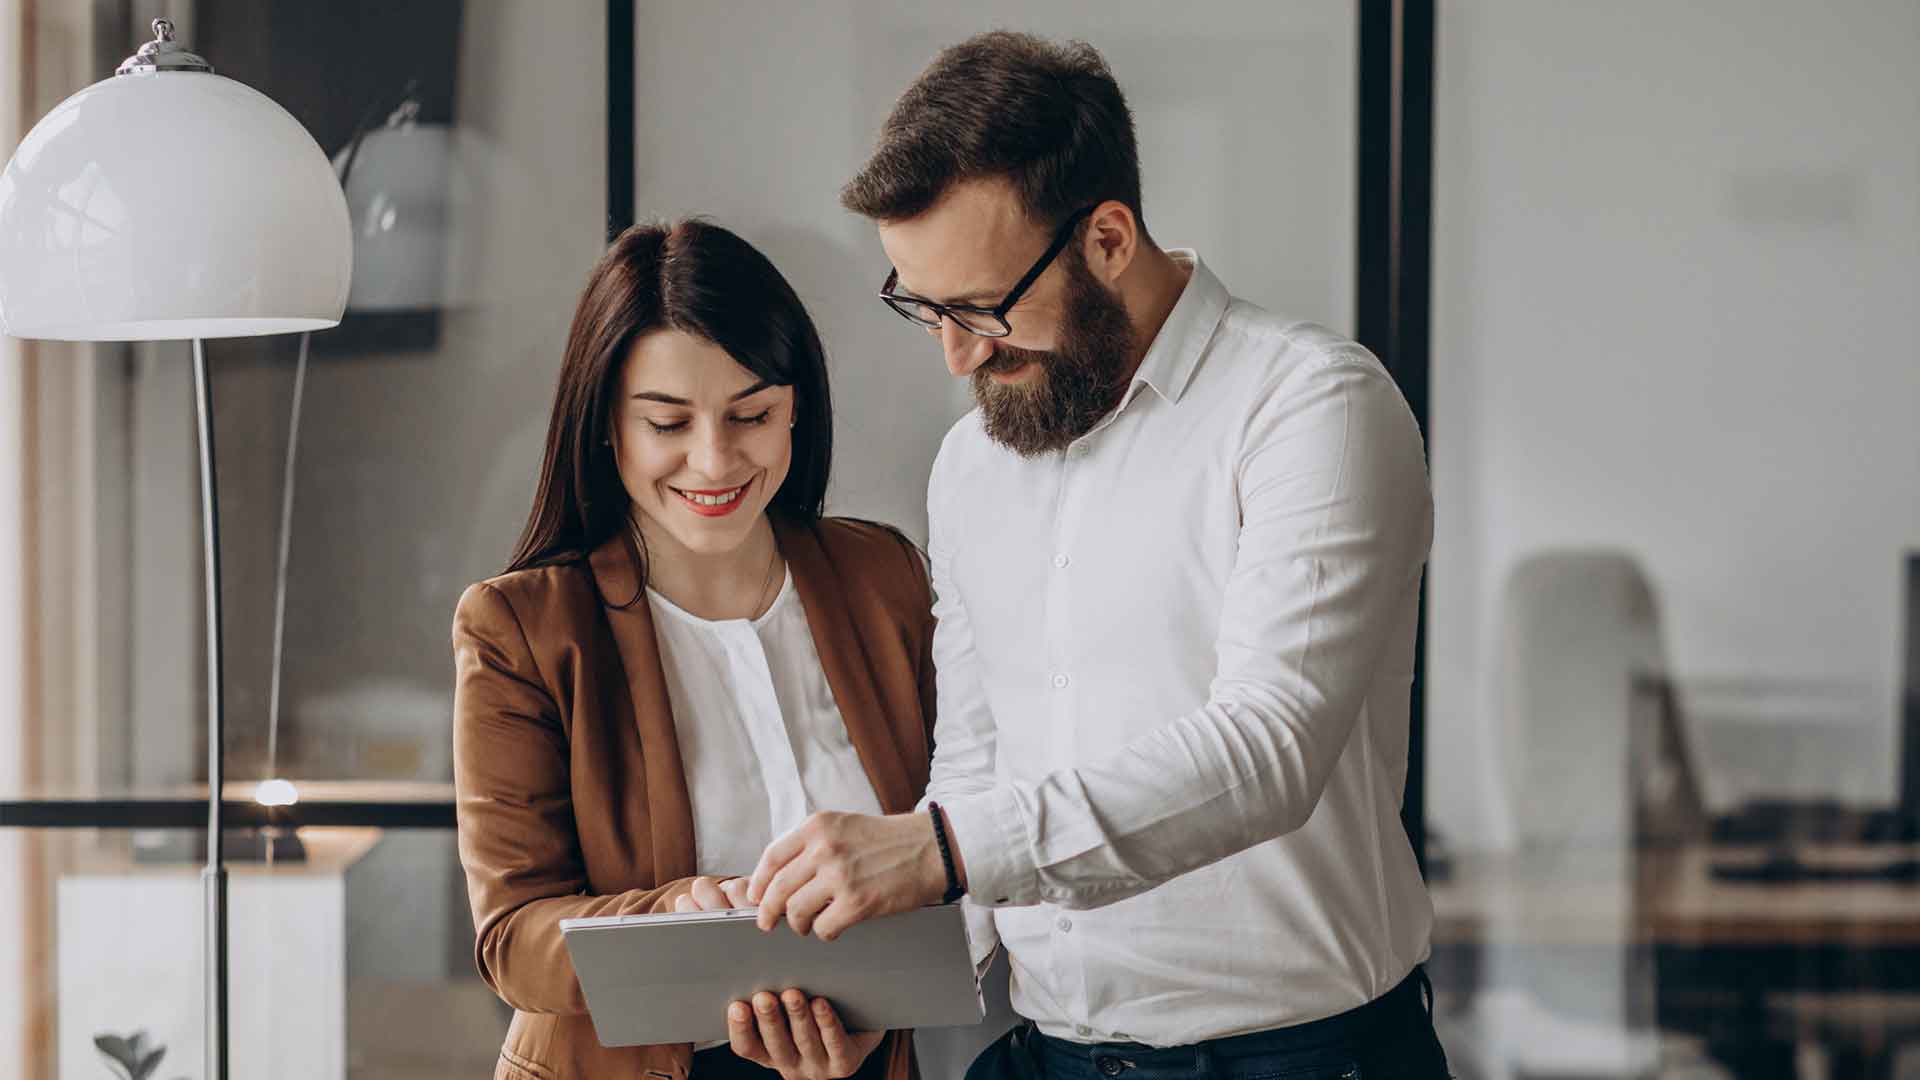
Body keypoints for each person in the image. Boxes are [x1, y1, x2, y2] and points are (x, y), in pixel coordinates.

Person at [743, 32, 1451, 1079]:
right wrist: (887, 995)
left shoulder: (1312, 409)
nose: (958, 352)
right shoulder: (972, 465)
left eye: (983, 307)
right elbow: (980, 764)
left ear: (1109, 238)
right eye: (924, 307)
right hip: (1043, 1052)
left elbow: (1270, 748)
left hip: (1299, 1059)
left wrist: (935, 851)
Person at [452, 219, 936, 1080]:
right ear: (608, 426)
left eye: (752, 414)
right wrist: (670, 920)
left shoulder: (883, 578)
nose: (714, 461)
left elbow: (959, 840)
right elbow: (511, 940)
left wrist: (874, 1008)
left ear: (797, 410)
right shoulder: (520, 627)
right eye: (667, 423)